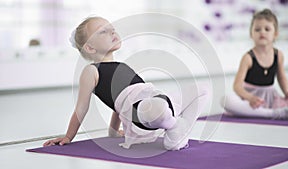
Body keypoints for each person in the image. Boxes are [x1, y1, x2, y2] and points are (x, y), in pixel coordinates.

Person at [43, 16, 209, 150]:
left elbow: (117, 105)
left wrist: (113, 132)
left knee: (201, 90)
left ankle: (177, 128)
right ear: (90, 48)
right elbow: (83, 108)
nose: (112, 32)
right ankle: (175, 127)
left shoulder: (122, 65)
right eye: (103, 32)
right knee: (154, 107)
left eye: (112, 29)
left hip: (159, 100)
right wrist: (68, 137)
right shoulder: (91, 71)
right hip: (143, 113)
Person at [223, 9, 288, 120]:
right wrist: (250, 98)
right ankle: (272, 114)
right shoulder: (248, 58)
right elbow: (237, 86)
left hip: (270, 98)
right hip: (250, 98)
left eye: (267, 29)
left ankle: (279, 111)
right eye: (257, 29)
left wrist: (287, 92)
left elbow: (281, 77)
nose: (262, 32)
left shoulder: (278, 55)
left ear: (275, 34)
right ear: (251, 34)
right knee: (226, 100)